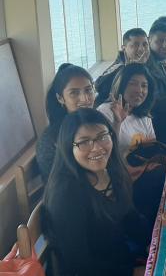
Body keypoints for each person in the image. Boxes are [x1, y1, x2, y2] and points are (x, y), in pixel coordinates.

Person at [43, 108, 149, 276]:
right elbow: (79, 263)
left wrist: (155, 240)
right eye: (84, 142)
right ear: (68, 147)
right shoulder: (65, 194)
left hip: (120, 258)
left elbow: (129, 216)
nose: (97, 148)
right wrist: (134, 272)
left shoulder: (112, 170)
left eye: (102, 137)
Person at [97, 63, 165, 227]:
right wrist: (117, 123)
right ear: (121, 83)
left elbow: (151, 148)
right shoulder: (106, 111)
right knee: (164, 179)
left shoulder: (143, 114)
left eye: (144, 86)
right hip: (121, 181)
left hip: (143, 171)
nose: (139, 90)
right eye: (132, 83)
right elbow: (104, 154)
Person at [36, 64, 95, 182]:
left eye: (88, 90)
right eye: (74, 93)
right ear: (60, 98)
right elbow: (58, 182)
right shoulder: (51, 139)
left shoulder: (96, 123)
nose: (85, 98)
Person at [95, 28, 150, 107]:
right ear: (124, 48)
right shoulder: (119, 67)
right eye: (135, 45)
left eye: (145, 45)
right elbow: (98, 85)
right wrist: (130, 70)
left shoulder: (145, 66)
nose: (142, 49)